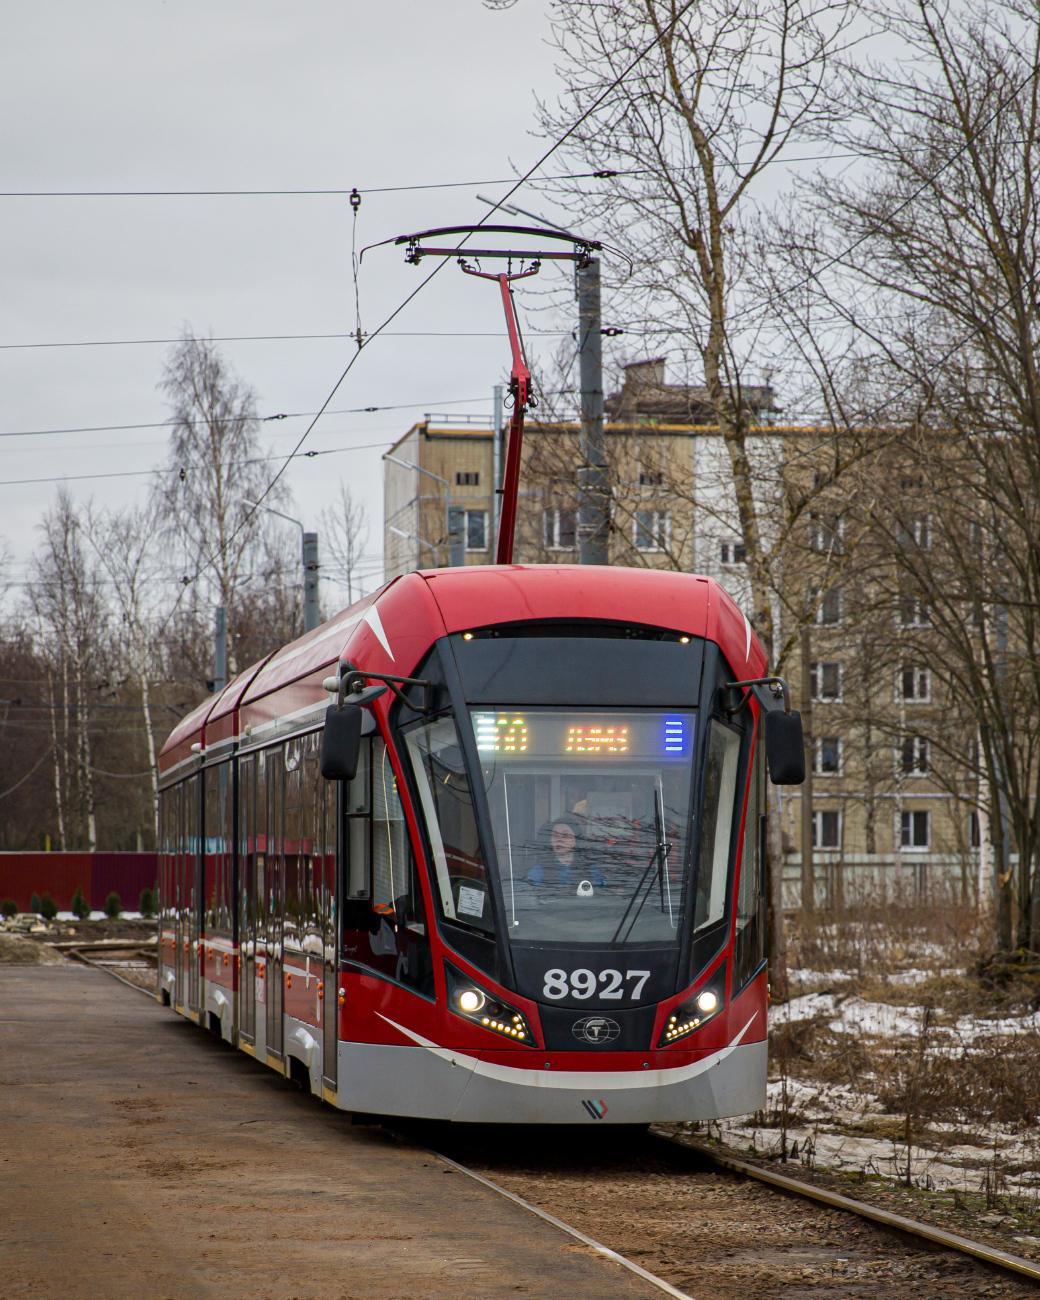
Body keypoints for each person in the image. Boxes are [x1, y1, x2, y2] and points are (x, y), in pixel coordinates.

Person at [527, 814, 605, 890]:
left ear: (575, 840)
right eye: (555, 835)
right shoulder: (539, 870)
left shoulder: (590, 870)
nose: (559, 839)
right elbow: (532, 895)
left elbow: (600, 895)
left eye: (565, 835)